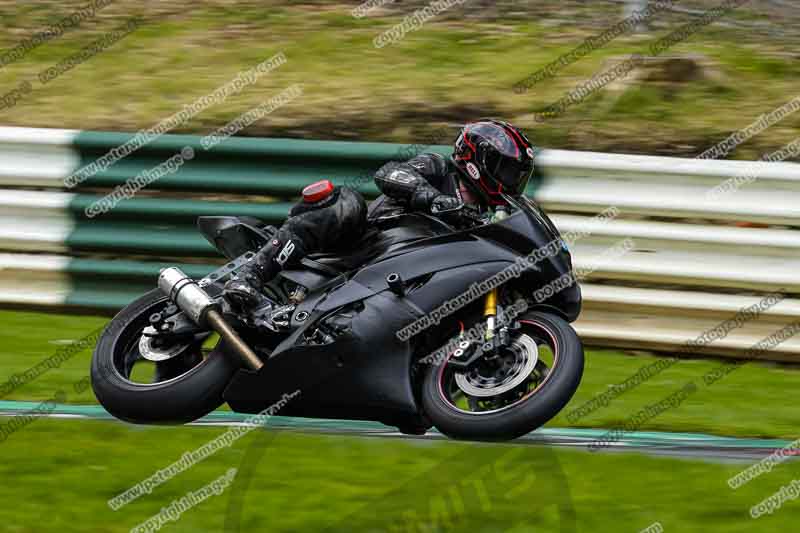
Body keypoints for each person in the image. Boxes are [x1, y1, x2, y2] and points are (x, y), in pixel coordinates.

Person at [223, 119, 537, 309]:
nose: (511, 181)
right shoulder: (439, 168)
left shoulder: (485, 215)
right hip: (366, 241)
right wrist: (432, 198)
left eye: (517, 175)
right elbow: (388, 174)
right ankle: (249, 277)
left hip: (407, 278)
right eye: (506, 170)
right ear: (477, 158)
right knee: (346, 202)